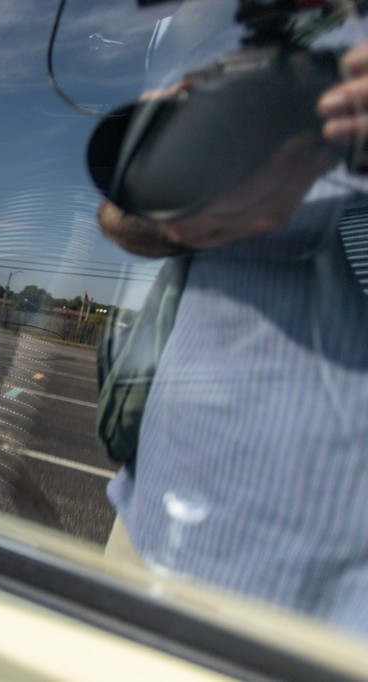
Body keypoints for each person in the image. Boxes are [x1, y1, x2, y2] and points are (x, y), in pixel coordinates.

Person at [97, 8, 368, 636]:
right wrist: (174, 192)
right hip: (151, 526)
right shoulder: (262, 48)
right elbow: (118, 223)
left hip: (337, 615)